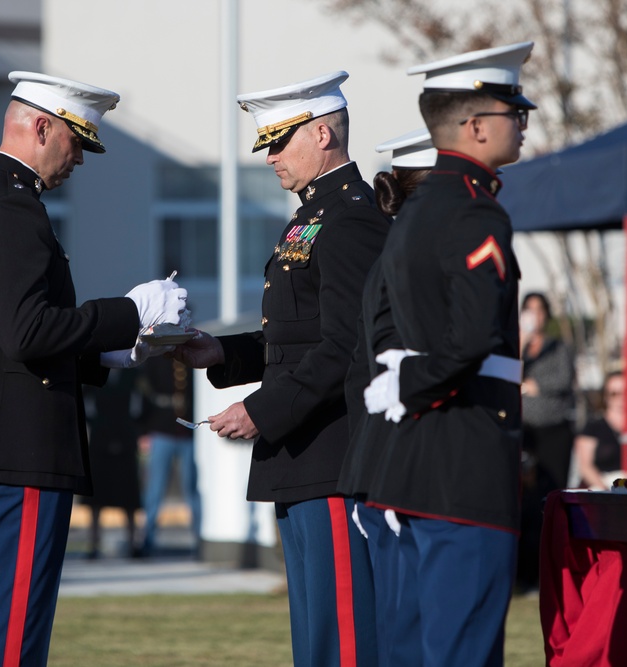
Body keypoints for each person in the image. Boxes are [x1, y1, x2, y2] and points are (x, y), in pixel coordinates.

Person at [0, 71, 188, 666]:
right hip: (20, 446)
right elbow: (28, 332)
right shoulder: (11, 208)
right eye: (76, 142)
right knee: (9, 635)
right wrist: (129, 311)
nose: (79, 161)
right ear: (42, 127)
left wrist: (110, 351)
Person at [175, 71, 386, 666]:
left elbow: (346, 345)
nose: (268, 155)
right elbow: (296, 334)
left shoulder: (351, 220)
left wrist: (260, 410)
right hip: (304, 456)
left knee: (343, 638)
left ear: (322, 133)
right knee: (314, 638)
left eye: (279, 139)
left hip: (333, 456)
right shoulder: (312, 216)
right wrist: (224, 353)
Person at [362, 42, 535, 666]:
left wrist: (404, 379)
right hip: (464, 462)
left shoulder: (417, 211)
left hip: (414, 464)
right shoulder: (474, 212)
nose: (524, 121)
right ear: (477, 126)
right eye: (514, 111)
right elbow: (470, 342)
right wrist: (410, 384)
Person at [339, 128, 436, 667]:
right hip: (409, 474)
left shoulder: (397, 255)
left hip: (385, 469)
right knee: (414, 636)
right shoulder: (416, 262)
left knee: (402, 633)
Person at [517, 291, 576, 591]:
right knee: (525, 501)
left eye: (539, 310)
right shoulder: (521, 349)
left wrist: (536, 386)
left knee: (551, 497)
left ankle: (551, 572)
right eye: (529, 310)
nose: (534, 316)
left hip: (554, 432)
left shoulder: (559, 348)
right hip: (526, 433)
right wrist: (522, 344)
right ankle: (525, 571)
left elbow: (564, 380)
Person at [137, 356, 201, 557]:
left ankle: (200, 541)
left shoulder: (189, 358)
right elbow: (145, 396)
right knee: (155, 489)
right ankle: (148, 539)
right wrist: (144, 431)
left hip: (187, 432)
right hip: (160, 429)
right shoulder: (155, 359)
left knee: (191, 488)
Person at [81, 366, 142, 559]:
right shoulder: (95, 370)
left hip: (125, 441)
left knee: (129, 498)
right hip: (100, 442)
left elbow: (141, 407)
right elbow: (84, 404)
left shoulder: (133, 373)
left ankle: (133, 543)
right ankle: (93, 544)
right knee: (95, 499)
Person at [574, 371, 627, 490]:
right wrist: (606, 491)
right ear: (605, 396)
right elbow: (585, 466)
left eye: (625, 392)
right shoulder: (593, 426)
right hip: (603, 488)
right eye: (614, 393)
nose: (621, 398)